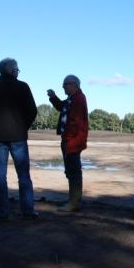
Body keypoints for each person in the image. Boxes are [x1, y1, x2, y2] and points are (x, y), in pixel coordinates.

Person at [0, 58, 38, 220]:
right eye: (17, 69)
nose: (18, 71)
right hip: (18, 137)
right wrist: (22, 126)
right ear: (10, 70)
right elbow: (32, 111)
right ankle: (28, 211)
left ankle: (3, 212)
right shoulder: (22, 87)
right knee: (24, 176)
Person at [47, 74, 88, 212]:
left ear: (73, 85)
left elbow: (75, 123)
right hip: (69, 140)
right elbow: (61, 107)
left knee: (74, 171)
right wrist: (53, 97)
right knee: (71, 170)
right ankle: (73, 200)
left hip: (73, 141)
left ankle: (74, 202)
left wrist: (69, 139)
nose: (63, 87)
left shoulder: (79, 99)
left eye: (65, 84)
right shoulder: (72, 99)